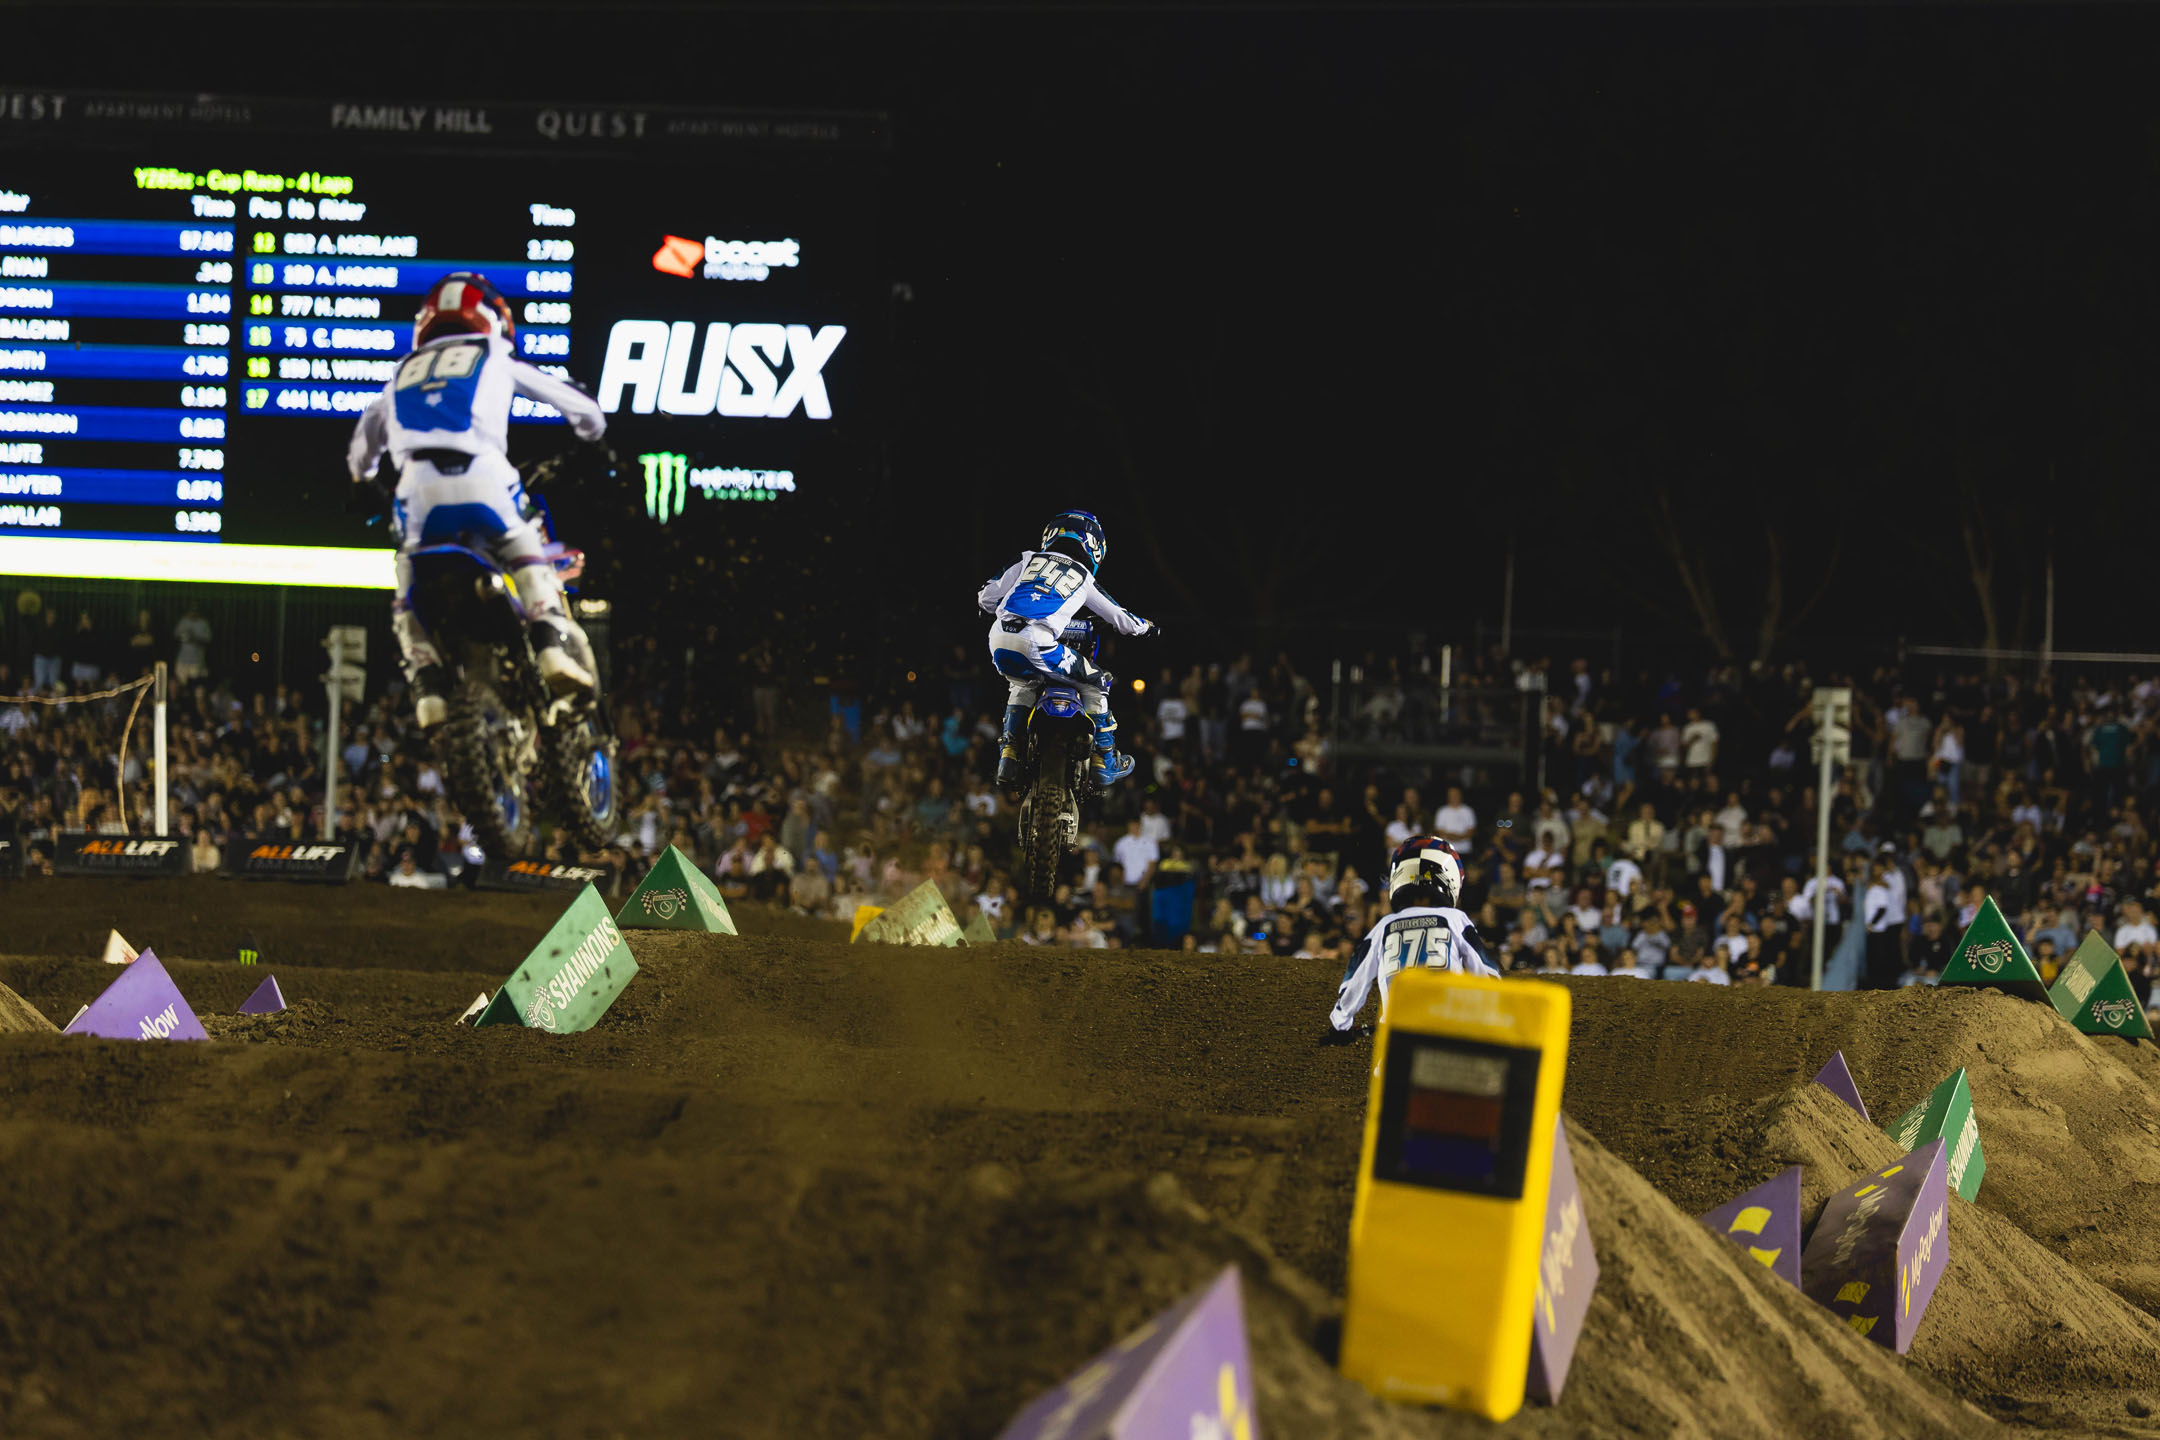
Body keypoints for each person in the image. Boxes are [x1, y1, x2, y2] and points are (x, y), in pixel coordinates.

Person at [346, 272, 608, 728]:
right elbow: (581, 408)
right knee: (525, 550)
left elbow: (360, 455)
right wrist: (592, 436)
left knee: (407, 582)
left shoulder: (401, 371)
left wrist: (365, 482)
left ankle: (427, 685)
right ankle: (549, 645)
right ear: (492, 318)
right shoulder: (494, 354)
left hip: (416, 490)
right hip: (482, 475)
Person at [977, 510, 1158, 789]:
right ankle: (1104, 760)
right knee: (1098, 681)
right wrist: (1147, 627)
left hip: (999, 637)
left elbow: (987, 596)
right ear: (1094, 545)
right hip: (1037, 641)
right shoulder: (1082, 575)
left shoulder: (1027, 558)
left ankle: (1009, 755)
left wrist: (989, 608)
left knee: (1023, 683)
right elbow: (1121, 618)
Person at [1323, 835, 1497, 1040]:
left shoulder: (1384, 925)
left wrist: (1340, 1024)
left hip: (1398, 1038)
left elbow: (1355, 979)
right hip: (1447, 1032)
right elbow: (1487, 974)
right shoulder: (1454, 919)